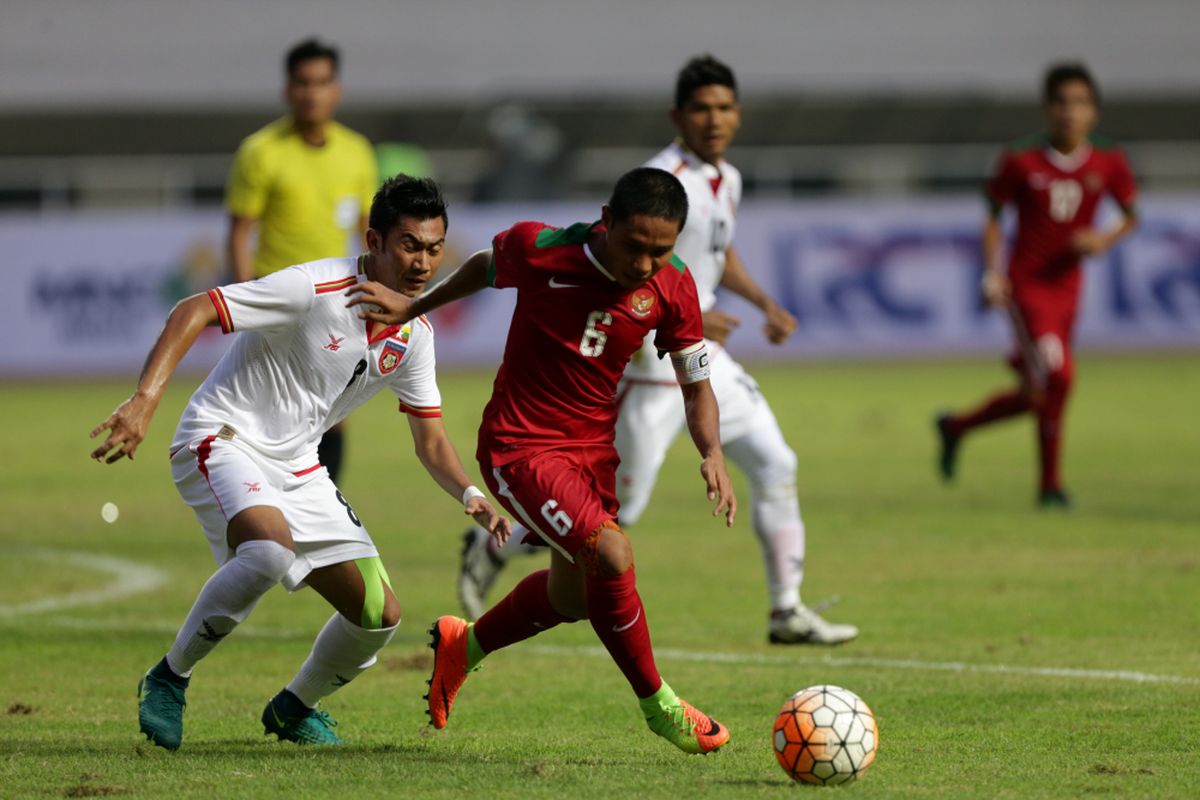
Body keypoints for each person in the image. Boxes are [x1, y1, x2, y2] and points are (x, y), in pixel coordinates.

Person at [90, 176, 510, 750]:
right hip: (223, 436)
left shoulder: (414, 333)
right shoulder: (313, 287)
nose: (423, 262)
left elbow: (430, 441)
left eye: (435, 248)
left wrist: (472, 496)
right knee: (267, 553)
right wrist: (144, 401)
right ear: (375, 241)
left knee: (378, 615)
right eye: (410, 245)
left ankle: (293, 707)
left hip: (299, 466)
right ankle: (169, 676)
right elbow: (195, 309)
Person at [456, 55, 857, 645]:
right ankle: (497, 540)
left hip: (699, 358)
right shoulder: (662, 178)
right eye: (701, 108)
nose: (714, 119)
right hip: (646, 364)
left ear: (737, 115)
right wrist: (685, 313)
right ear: (679, 115)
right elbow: (628, 265)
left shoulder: (729, 179)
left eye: (724, 108)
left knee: (776, 463)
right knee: (617, 520)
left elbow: (720, 250)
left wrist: (761, 302)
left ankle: (786, 611)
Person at [348, 167, 737, 755]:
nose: (645, 264)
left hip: (592, 452)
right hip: (519, 445)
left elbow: (695, 381)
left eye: (661, 251)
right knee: (612, 554)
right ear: (607, 221)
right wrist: (413, 306)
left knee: (573, 598)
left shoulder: (674, 285)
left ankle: (464, 646)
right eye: (635, 247)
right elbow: (484, 265)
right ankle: (661, 706)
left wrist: (711, 451)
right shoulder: (542, 248)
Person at [936, 62, 1139, 507]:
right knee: (1060, 376)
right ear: (1047, 109)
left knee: (1039, 392)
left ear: (1095, 112)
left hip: (1070, 289)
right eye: (1062, 103)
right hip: (1027, 287)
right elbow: (992, 217)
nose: (1070, 112)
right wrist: (993, 272)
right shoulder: (1021, 159)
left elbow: (1130, 214)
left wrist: (1102, 238)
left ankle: (956, 427)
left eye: (1080, 103)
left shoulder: (1109, 159)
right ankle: (1050, 487)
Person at [226, 37, 379, 484]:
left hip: (338, 302)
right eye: (303, 82)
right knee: (276, 412)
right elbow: (239, 233)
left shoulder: (357, 152)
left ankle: (322, 510)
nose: (312, 92)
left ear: (337, 90)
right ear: (287, 89)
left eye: (322, 82)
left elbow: (368, 232)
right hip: (280, 300)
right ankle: (268, 506)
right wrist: (243, 304)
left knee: (334, 412)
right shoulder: (261, 152)